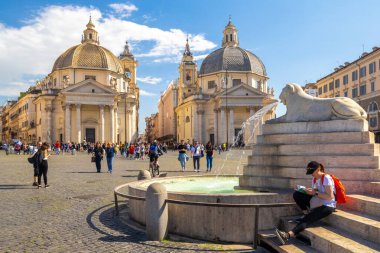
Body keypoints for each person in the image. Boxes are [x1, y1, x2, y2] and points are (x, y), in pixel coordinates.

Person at [275, 161, 336, 245]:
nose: (312, 174)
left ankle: (287, 235)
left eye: (312, 172)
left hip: (328, 205)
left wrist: (315, 193)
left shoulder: (326, 178)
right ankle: (306, 212)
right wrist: (305, 190)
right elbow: (315, 191)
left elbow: (330, 197)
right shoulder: (314, 179)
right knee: (297, 194)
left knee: (307, 219)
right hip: (318, 201)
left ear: (318, 169)